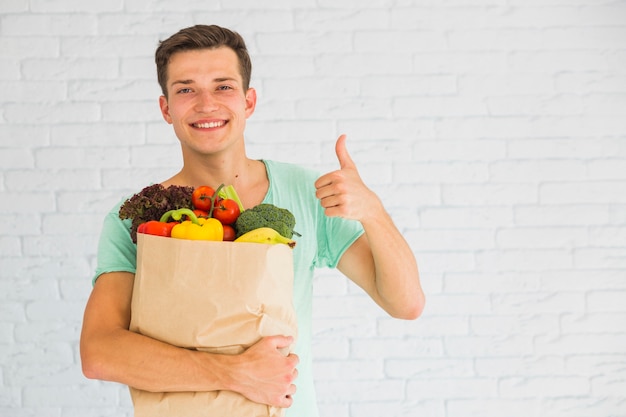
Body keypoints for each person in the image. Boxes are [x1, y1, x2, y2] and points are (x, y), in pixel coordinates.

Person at [80, 24, 424, 417]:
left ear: (249, 101)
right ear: (166, 109)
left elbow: (406, 304)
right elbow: (99, 353)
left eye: (223, 86)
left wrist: (372, 211)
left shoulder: (306, 193)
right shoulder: (138, 216)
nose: (206, 104)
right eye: (186, 89)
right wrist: (235, 373)